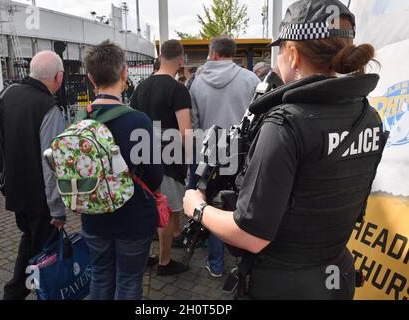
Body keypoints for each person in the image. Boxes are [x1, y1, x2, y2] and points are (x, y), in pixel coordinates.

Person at [183, 0, 387, 300]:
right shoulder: (369, 115)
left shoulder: (285, 124)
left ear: (292, 55)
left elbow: (250, 235)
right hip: (336, 278)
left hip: (281, 285)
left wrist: (197, 208)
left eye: (280, 50)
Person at [70, 40, 163, 300]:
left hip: (93, 216)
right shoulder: (138, 120)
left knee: (100, 277)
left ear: (90, 77)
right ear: (124, 73)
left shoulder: (79, 120)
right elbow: (155, 175)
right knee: (129, 281)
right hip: (133, 218)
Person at [189, 36, 260, 278]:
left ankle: (216, 264)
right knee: (244, 204)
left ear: (214, 53)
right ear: (232, 53)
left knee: (214, 206)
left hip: (210, 154)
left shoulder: (197, 83)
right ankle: (243, 264)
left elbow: (194, 123)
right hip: (244, 155)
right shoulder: (251, 79)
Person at [2, 51, 67, 300]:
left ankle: (15, 291)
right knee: (44, 256)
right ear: (59, 77)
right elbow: (52, 166)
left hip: (15, 192)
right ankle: (36, 292)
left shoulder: (9, 95)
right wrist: (57, 209)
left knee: (30, 243)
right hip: (40, 201)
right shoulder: (48, 108)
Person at [131, 40, 192, 276]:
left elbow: (134, 122)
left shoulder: (141, 87)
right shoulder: (178, 89)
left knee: (147, 208)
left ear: (159, 57)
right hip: (169, 158)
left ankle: (146, 255)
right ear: (180, 59)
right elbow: (186, 132)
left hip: (142, 156)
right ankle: (165, 262)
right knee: (166, 209)